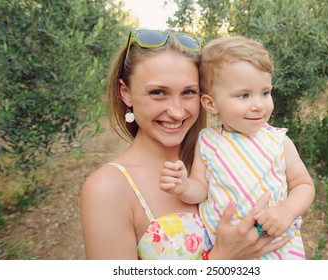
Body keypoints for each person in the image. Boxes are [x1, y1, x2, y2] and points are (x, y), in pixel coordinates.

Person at [80, 30, 290, 260]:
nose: (177, 111)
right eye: (158, 92)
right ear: (126, 93)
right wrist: (221, 260)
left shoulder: (222, 157)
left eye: (188, 92)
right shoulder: (108, 189)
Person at [159, 35, 315, 259]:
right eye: (244, 95)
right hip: (227, 252)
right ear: (211, 104)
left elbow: (304, 184)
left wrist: (287, 210)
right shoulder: (208, 142)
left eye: (265, 93)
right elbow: (200, 189)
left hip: (278, 251)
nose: (258, 105)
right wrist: (183, 186)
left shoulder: (278, 141)